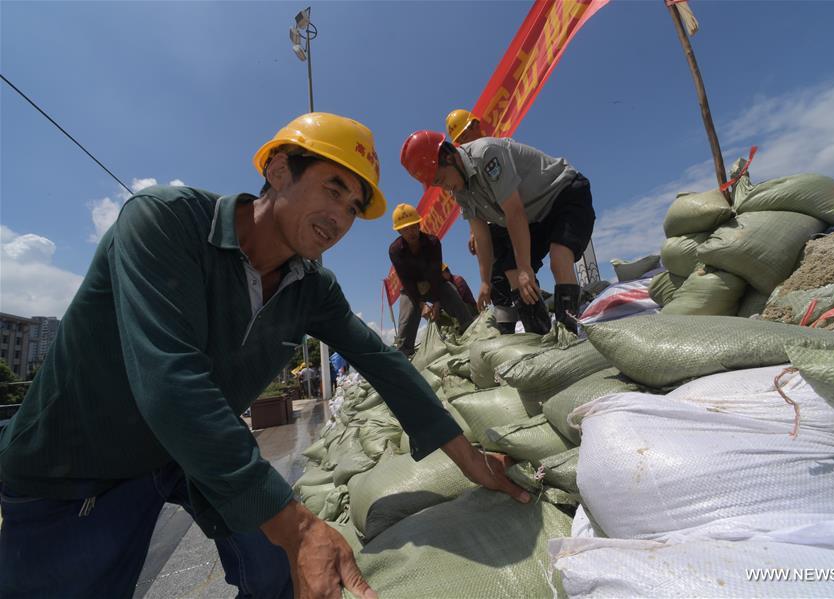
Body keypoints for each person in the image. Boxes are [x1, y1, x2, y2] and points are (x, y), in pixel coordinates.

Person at [0, 112, 528, 599]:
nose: (341, 217)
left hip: (187, 454)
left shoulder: (311, 287)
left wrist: (469, 460)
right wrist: (298, 526)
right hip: (77, 469)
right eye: (334, 187)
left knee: (280, 572)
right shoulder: (164, 223)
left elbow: (383, 363)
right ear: (278, 170)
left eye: (353, 206)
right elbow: (170, 379)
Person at [400, 130, 595, 334]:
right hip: (536, 216)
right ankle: (539, 334)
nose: (445, 187)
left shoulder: (486, 154)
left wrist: (526, 268)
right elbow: (481, 236)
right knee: (511, 270)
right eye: (437, 184)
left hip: (564, 194)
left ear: (449, 157)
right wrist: (485, 281)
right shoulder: (460, 193)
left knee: (559, 259)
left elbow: (514, 212)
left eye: (441, 179)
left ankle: (570, 331)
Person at [445, 109, 522, 334]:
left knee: (516, 270)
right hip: (493, 227)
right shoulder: (464, 174)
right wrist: (473, 233)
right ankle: (507, 330)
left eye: (466, 135)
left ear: (477, 127)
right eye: (459, 140)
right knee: (498, 280)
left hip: (514, 220)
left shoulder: (495, 150)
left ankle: (535, 321)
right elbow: (473, 204)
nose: (464, 143)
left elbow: (514, 205)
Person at [389, 203, 474, 356]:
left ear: (419, 224)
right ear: (399, 231)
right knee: (407, 314)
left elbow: (435, 275)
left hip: (434, 283)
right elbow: (406, 281)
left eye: (413, 227)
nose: (410, 232)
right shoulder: (395, 250)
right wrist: (421, 305)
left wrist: (436, 302)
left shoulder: (433, 242)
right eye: (405, 229)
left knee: (452, 295)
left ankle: (470, 331)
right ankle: (404, 352)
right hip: (411, 288)